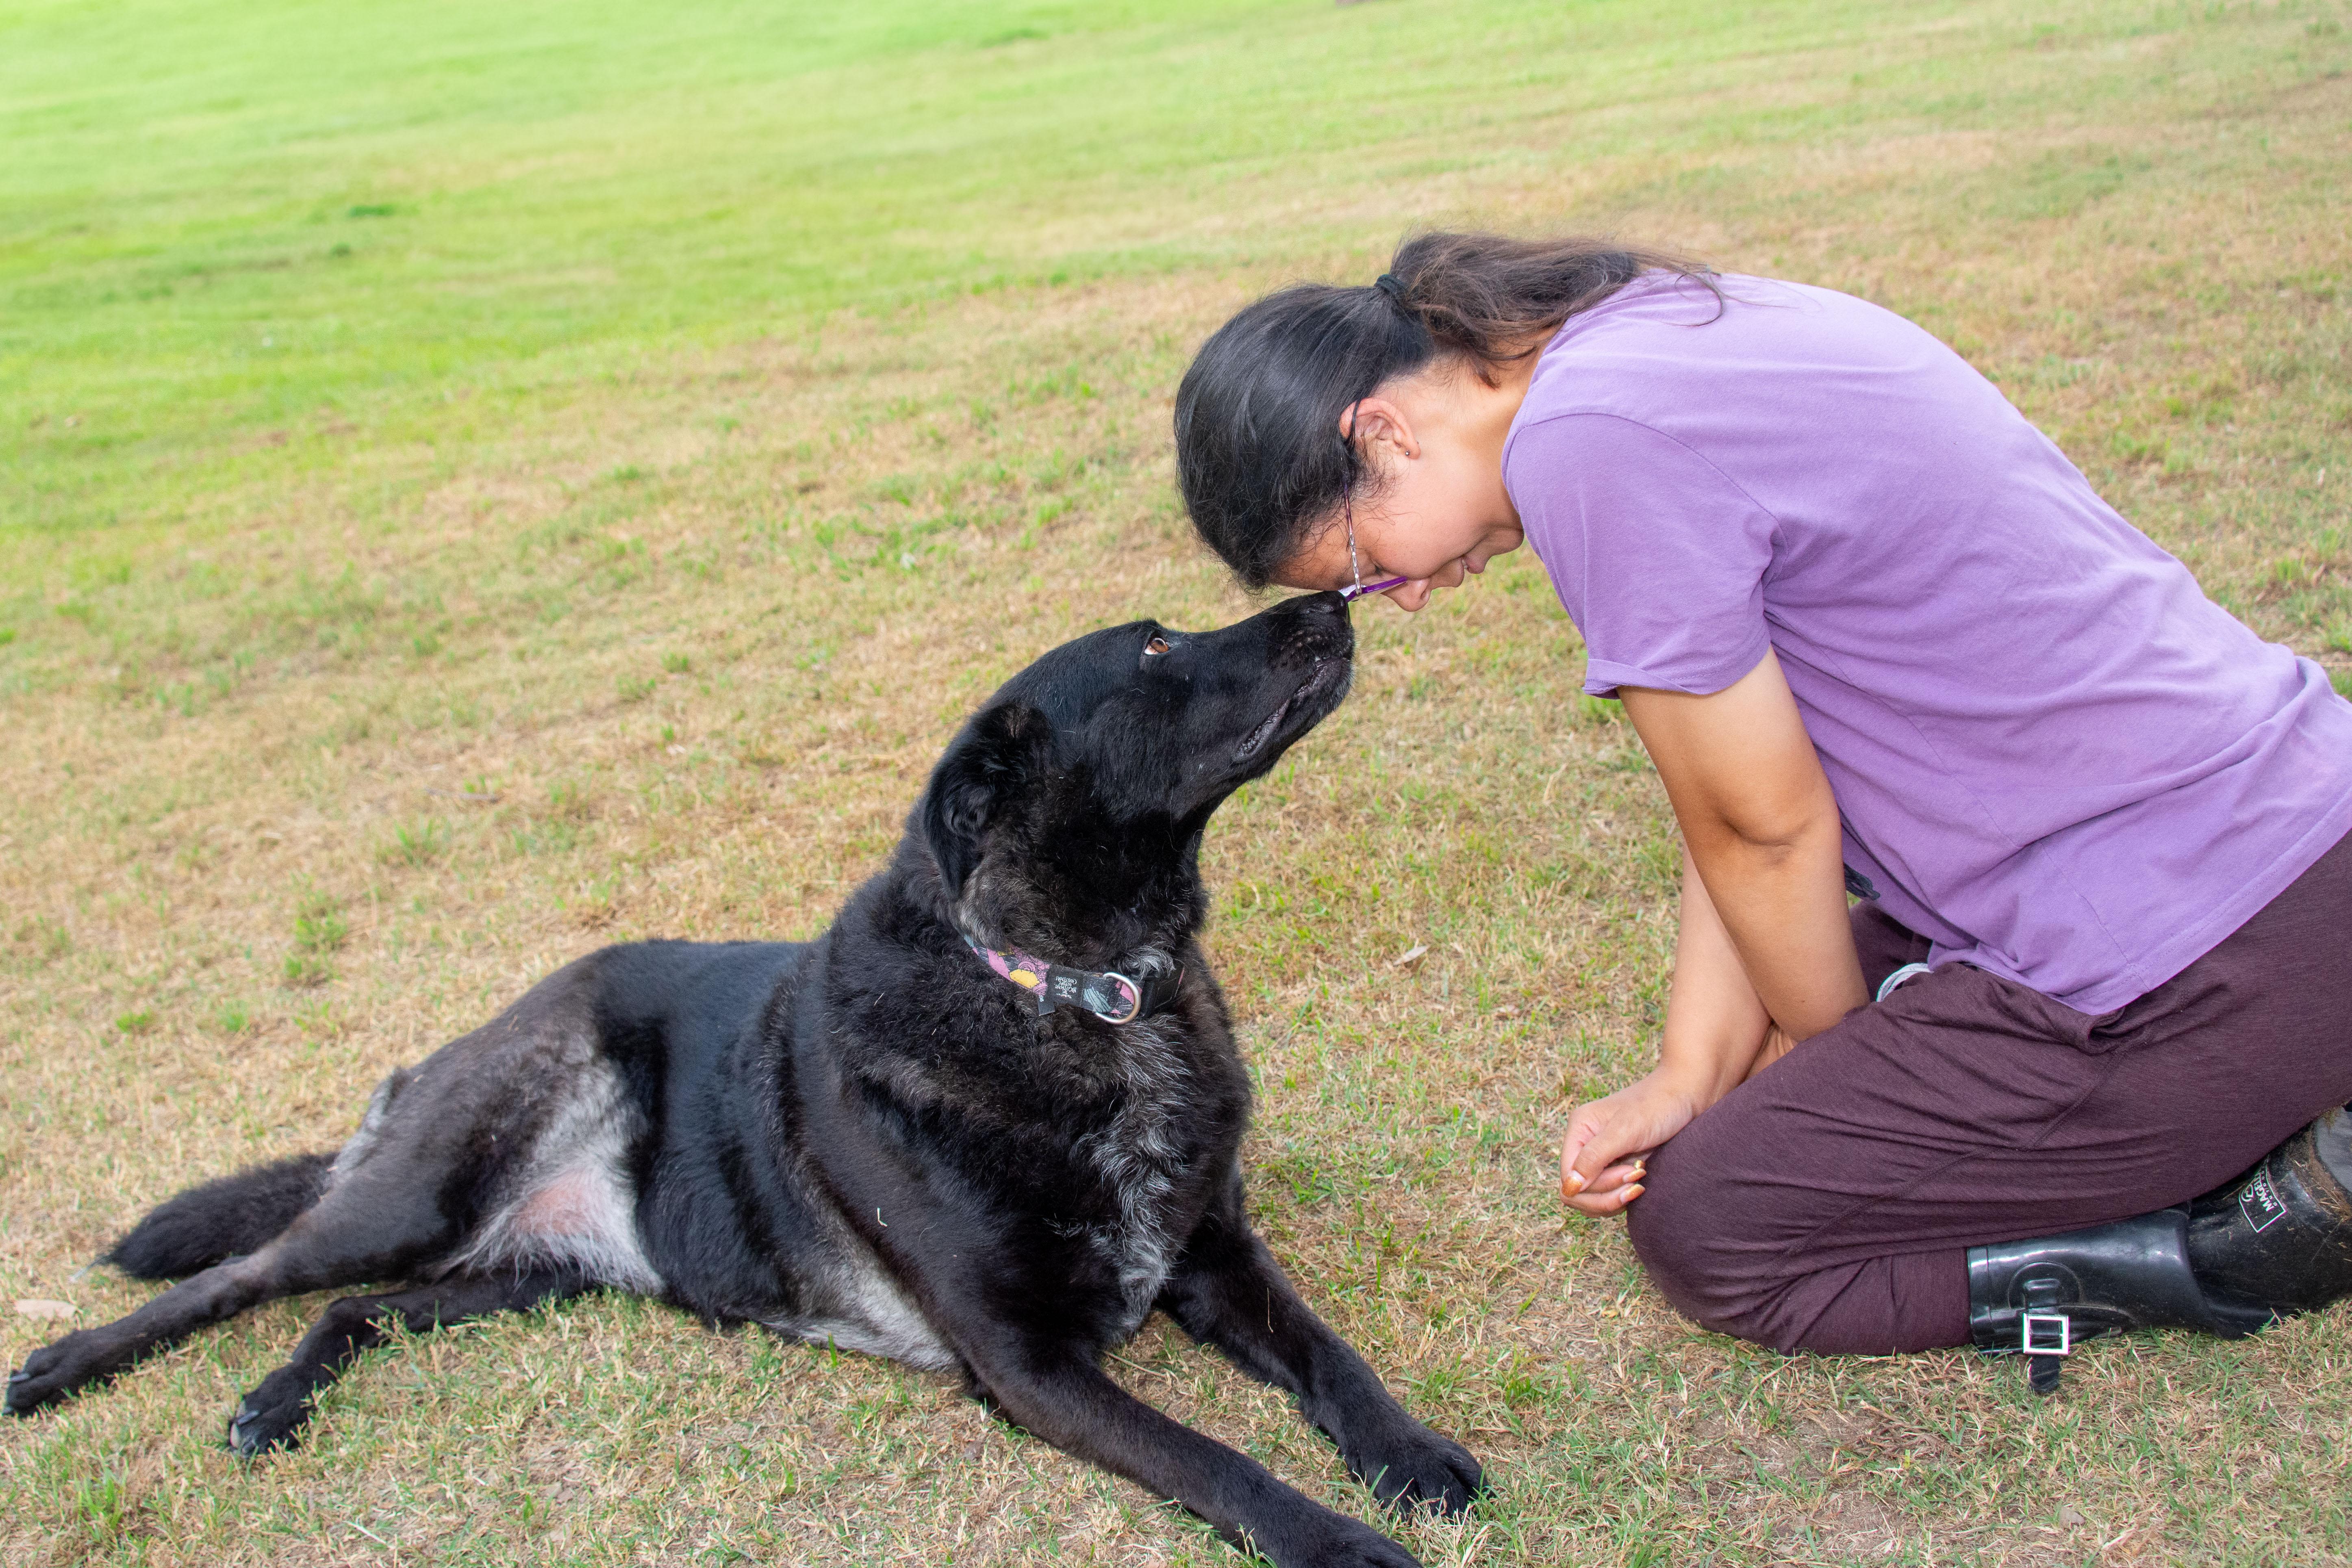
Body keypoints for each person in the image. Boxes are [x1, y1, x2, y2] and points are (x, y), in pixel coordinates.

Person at [1170, 232, 2352, 1391]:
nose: (1407, 596)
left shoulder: (1590, 446)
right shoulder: (1645, 333)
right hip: (2268, 839)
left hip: (2213, 944)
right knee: (1743, 1097)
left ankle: (2215, 1248)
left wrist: (1826, 1062)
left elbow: (1766, 834)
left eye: (1363, 566)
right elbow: (1733, 798)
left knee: (1714, 1224)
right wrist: (1695, 1071)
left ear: (1380, 431)